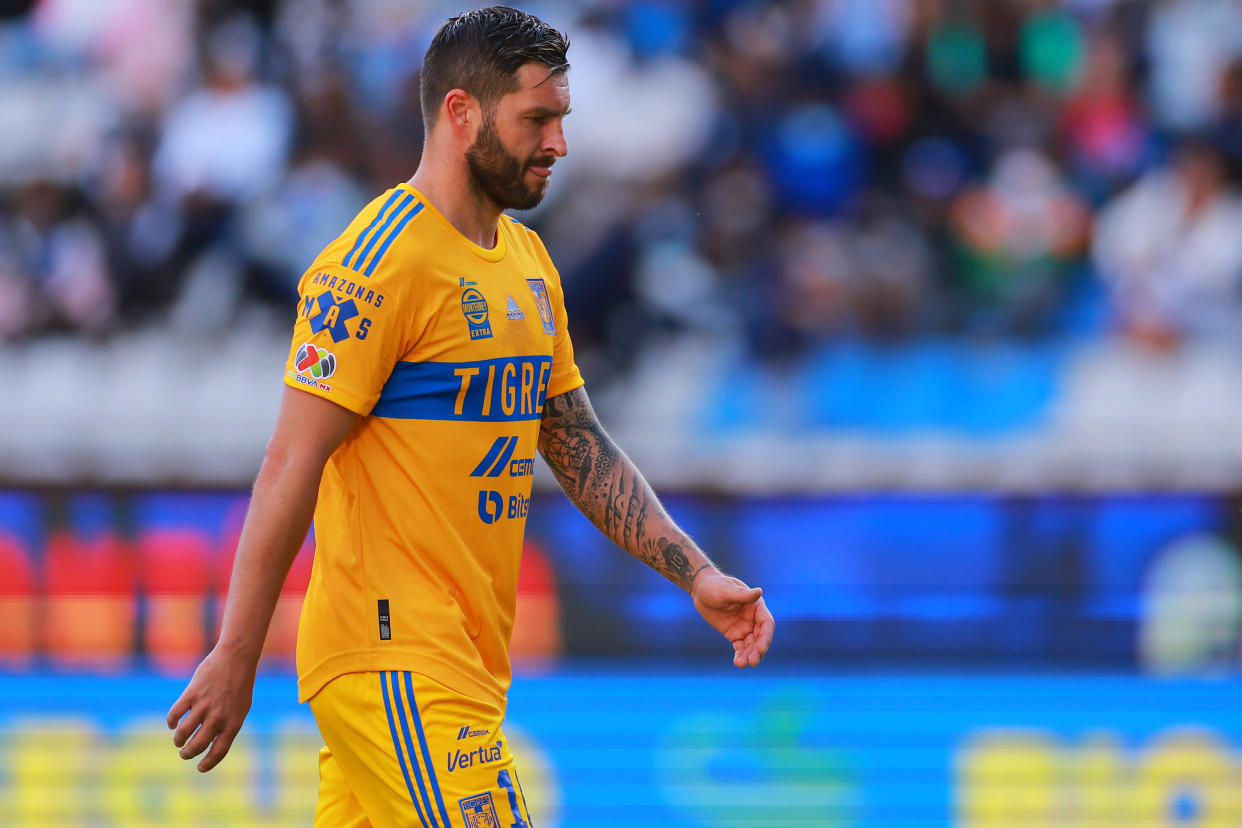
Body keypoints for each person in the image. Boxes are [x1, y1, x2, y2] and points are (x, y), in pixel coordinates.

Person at [166, 7, 774, 827]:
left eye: (561, 119)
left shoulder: (527, 262)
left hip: (464, 665)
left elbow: (574, 439)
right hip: (394, 659)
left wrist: (694, 571)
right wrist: (238, 653)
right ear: (461, 114)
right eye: (537, 118)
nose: (558, 143)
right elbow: (290, 461)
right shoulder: (375, 264)